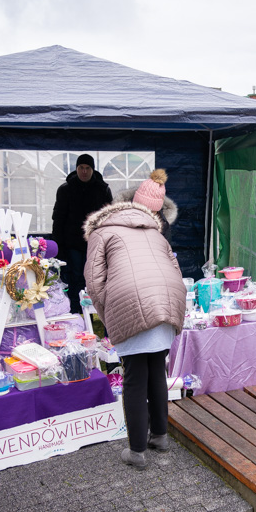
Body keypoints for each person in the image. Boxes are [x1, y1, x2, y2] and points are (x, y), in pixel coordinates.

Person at [83, 196, 186, 471]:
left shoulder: (101, 233)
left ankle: (137, 450)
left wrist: (109, 316)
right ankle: (160, 437)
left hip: (129, 300)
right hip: (167, 298)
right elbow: (175, 268)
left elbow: (93, 281)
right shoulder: (155, 233)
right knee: (156, 370)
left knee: (134, 378)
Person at [52, 154, 113, 311]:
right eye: (81, 168)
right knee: (76, 276)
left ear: (92, 170)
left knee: (95, 277)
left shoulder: (102, 189)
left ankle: (96, 312)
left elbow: (109, 218)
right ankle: (76, 310)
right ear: (76, 169)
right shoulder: (65, 189)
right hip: (73, 243)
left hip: (95, 243)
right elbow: (58, 218)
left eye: (87, 168)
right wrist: (59, 245)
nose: (84, 171)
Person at [112, 168, 178, 244]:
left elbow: (164, 249)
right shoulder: (119, 221)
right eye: (141, 209)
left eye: (151, 211)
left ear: (157, 210)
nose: (146, 214)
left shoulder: (163, 225)